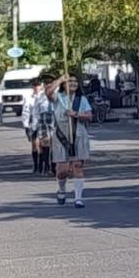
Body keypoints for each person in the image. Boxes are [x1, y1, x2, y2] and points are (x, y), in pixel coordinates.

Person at [51, 76, 94, 208]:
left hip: (79, 135)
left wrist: (76, 114)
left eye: (75, 81)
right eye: (70, 82)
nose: (73, 84)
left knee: (78, 166)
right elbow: (48, 92)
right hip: (61, 135)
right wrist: (59, 80)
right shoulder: (57, 97)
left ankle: (78, 198)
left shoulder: (81, 99)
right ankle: (62, 189)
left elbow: (89, 116)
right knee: (62, 170)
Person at [22, 74, 53, 174]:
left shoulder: (46, 95)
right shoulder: (30, 97)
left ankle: (46, 165)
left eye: (38, 85)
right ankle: (38, 165)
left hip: (49, 122)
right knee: (36, 145)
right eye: (34, 85)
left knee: (47, 144)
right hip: (36, 123)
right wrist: (26, 125)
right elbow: (27, 112)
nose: (36, 87)